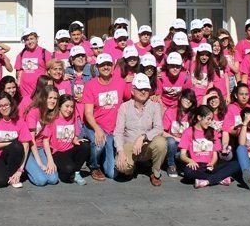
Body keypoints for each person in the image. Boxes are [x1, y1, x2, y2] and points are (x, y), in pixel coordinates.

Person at [113, 73, 168, 186]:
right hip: (129, 144)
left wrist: (143, 137)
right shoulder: (124, 107)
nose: (143, 92)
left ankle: (155, 173)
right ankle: (132, 167)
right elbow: (118, 132)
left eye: (146, 89)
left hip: (146, 144)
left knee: (161, 143)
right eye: (140, 89)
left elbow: (159, 128)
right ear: (132, 91)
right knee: (122, 167)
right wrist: (120, 151)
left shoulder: (155, 106)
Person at [82, 53, 126, 181]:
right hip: (96, 126)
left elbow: (132, 98)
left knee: (112, 174)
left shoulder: (120, 82)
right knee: (99, 143)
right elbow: (88, 113)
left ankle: (104, 158)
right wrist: (96, 128)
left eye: (108, 64)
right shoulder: (90, 85)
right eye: (102, 65)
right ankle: (94, 166)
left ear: (112, 66)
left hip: (114, 130)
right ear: (97, 67)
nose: (105, 67)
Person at [180, 105, 240, 189]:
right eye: (208, 119)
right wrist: (190, 161)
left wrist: (212, 163)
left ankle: (207, 181)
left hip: (209, 167)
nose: (210, 122)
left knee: (236, 164)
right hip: (196, 166)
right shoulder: (188, 132)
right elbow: (182, 155)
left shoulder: (213, 132)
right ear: (199, 117)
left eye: (211, 119)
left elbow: (215, 155)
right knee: (187, 172)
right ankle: (219, 179)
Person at [0, 91, 32, 188]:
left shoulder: (19, 120)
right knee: (0, 182)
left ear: (11, 104)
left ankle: (14, 176)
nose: (4, 108)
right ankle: (5, 175)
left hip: (14, 158)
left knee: (17, 146)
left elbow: (26, 146)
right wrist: (9, 143)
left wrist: (20, 170)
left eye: (6, 105)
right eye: (1, 106)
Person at [43, 94, 90, 185]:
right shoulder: (52, 119)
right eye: (67, 106)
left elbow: (75, 131)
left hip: (69, 149)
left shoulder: (72, 117)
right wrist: (50, 160)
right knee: (68, 170)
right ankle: (64, 170)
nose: (69, 109)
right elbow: (46, 141)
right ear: (60, 106)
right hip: (57, 152)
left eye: (72, 107)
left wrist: (75, 139)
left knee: (85, 145)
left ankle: (76, 173)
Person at [24, 86, 61, 186]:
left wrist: (50, 160)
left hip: (39, 148)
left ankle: (35, 168)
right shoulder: (33, 112)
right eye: (50, 98)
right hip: (28, 149)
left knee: (53, 179)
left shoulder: (50, 114)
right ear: (44, 98)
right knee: (41, 181)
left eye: (55, 98)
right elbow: (31, 139)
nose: (53, 101)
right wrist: (40, 163)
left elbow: (46, 140)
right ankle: (28, 169)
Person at [162, 89, 197, 177]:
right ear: (180, 97)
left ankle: (183, 163)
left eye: (191, 101)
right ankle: (171, 165)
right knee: (171, 141)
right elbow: (161, 132)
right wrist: (177, 139)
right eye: (186, 99)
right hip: (172, 144)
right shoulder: (171, 111)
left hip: (185, 147)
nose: (188, 102)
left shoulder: (192, 115)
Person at [15, 28, 52, 98]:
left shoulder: (45, 53)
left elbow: (51, 72)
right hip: (24, 94)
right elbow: (18, 73)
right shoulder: (21, 55)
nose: (30, 42)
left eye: (31, 38)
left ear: (37, 38)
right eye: (27, 40)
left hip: (40, 93)